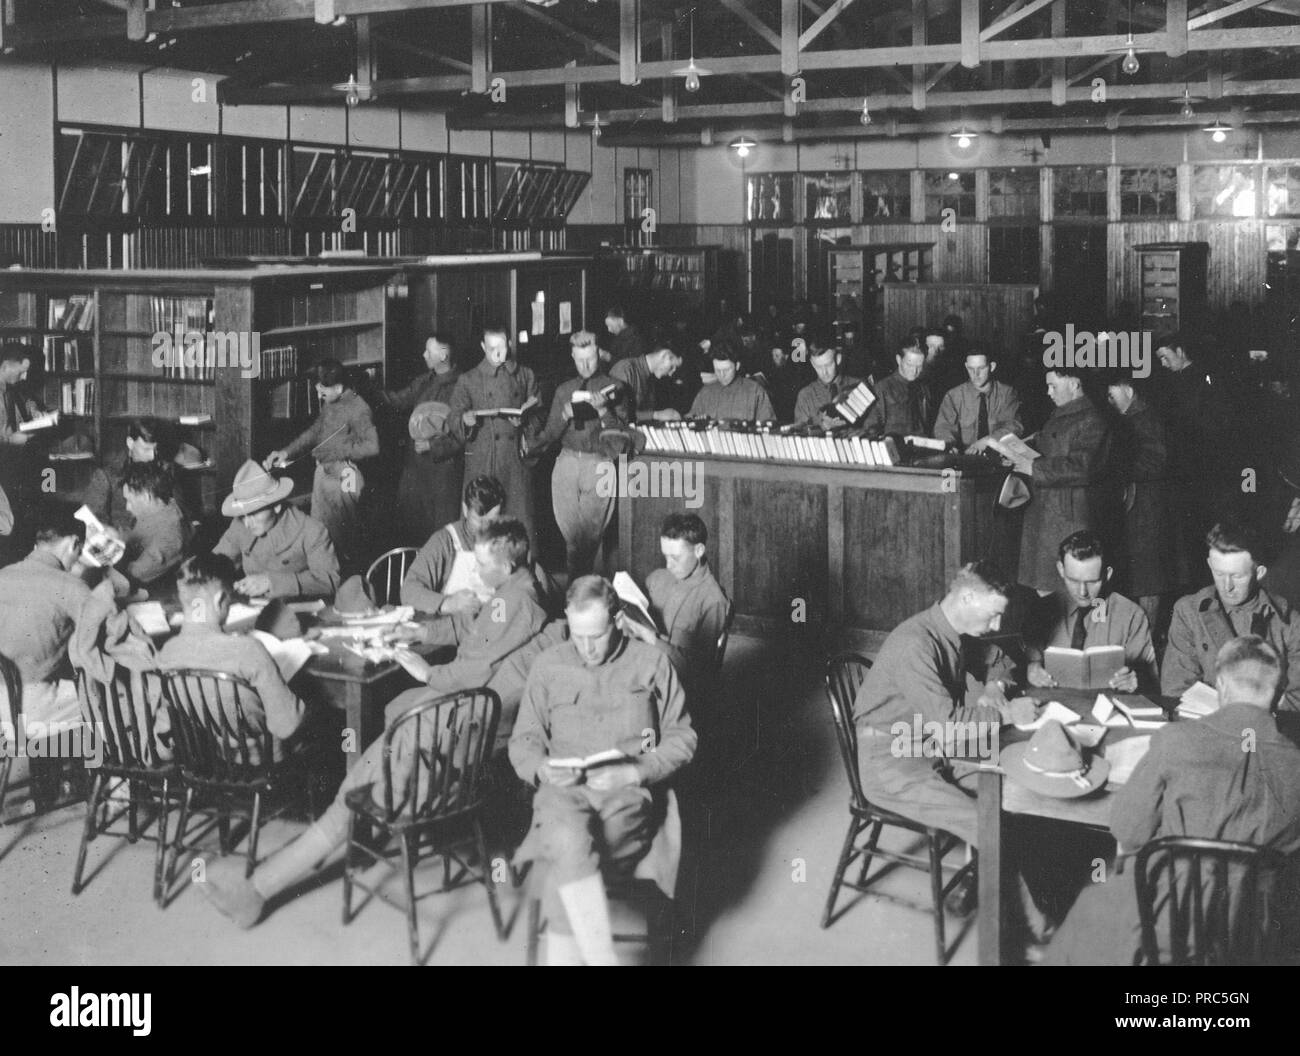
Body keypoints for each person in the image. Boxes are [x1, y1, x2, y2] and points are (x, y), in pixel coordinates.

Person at [193, 522, 552, 931]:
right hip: (460, 720)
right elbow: (477, 633)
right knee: (367, 763)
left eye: (484, 565)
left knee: (348, 797)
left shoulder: (514, 603)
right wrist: (423, 632)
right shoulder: (521, 592)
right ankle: (258, 888)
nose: (477, 572)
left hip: (451, 727)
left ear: (506, 566)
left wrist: (426, 671)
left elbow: (474, 667)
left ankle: (257, 892)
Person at [1046, 636, 1300, 965]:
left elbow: (1128, 830)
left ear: (1221, 685)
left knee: (1090, 908)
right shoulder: (1295, 764)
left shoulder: (1175, 740)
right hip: (1252, 929)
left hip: (1169, 918)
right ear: (1278, 693)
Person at [509, 575, 696, 966]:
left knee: (570, 857)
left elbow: (683, 737)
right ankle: (601, 957)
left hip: (625, 791)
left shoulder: (651, 662)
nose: (587, 647)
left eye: (596, 635)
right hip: (563, 789)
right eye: (577, 636)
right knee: (565, 835)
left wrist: (637, 772)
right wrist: (542, 769)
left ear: (618, 621)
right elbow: (523, 740)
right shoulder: (549, 665)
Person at [851, 561, 1026, 846]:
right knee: (988, 826)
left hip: (932, 745)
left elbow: (1001, 660)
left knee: (1016, 789)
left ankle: (992, 879)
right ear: (967, 597)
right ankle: (1002, 884)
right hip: (890, 762)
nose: (997, 626)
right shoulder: (916, 643)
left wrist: (996, 686)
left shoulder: (953, 632)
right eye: (994, 615)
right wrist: (1005, 714)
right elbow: (946, 725)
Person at [157, 553, 307, 760]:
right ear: (220, 599)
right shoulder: (248, 649)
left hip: (215, 761)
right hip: (265, 762)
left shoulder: (167, 652)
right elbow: (286, 727)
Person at [1162, 520, 1300, 713]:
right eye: (1219, 574)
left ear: (1259, 572)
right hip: (1206, 728)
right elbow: (1176, 689)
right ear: (1210, 564)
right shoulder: (1188, 611)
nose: (1227, 586)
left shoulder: (1289, 621)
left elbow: (1298, 698)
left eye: (1237, 576)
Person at [264, 359, 379, 570]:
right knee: (320, 535)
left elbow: (373, 446)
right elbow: (315, 431)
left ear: (338, 387)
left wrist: (338, 451)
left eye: (323, 392)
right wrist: (286, 452)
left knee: (346, 535)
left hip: (346, 474)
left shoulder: (359, 407)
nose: (319, 397)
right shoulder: (331, 401)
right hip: (323, 472)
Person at [0, 509, 108, 731]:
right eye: (78, 554)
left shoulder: (3, 575)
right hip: (29, 708)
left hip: (3, 700)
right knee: (116, 698)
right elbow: (105, 636)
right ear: (74, 544)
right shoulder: (70, 585)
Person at [1011, 365, 1115, 593]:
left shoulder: (1093, 419)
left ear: (1074, 384)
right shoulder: (1062, 415)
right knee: (1047, 587)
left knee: (1070, 588)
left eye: (1053, 386)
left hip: (1069, 517)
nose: (1048, 392)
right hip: (1047, 512)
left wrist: (1034, 467)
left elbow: (1084, 467)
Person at [535, 332, 628, 578]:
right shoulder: (564, 389)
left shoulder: (615, 388)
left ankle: (584, 593)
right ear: (572, 357)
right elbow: (550, 434)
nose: (586, 365)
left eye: (590, 359)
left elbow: (622, 435)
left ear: (599, 355)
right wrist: (564, 417)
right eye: (580, 360)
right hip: (566, 463)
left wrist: (603, 411)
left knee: (588, 538)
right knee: (571, 538)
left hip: (599, 463)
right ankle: (582, 594)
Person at [616, 513, 731, 712]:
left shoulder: (712, 600)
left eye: (675, 558)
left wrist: (652, 640)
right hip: (645, 665)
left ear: (699, 550)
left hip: (677, 688)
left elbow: (699, 673)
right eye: (665, 556)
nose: (668, 565)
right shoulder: (657, 579)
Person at [1022, 530, 1156, 694]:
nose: (1082, 591)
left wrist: (1136, 681)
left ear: (1107, 575)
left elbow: (1149, 681)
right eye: (1073, 580)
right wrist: (1030, 670)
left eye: (1092, 581)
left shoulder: (1131, 615)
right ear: (1061, 569)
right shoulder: (1041, 610)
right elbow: (1022, 666)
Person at [448, 324, 542, 544]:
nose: (498, 353)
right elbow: (452, 418)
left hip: (515, 463)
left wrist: (524, 420)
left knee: (519, 528)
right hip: (483, 460)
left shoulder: (525, 375)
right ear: (483, 347)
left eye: (501, 347)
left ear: (509, 343)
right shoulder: (468, 379)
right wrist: (465, 419)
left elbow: (540, 416)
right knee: (480, 530)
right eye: (492, 349)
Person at [1155, 332, 1235, 588]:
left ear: (1180, 351)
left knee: (1202, 533)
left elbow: (1215, 426)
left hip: (1201, 471)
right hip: (1183, 470)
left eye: (1165, 357)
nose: (1163, 364)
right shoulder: (1173, 382)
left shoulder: (1205, 380)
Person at [212, 460, 341, 601]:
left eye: (254, 513)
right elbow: (216, 562)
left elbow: (329, 581)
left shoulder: (312, 530)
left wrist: (271, 582)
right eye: (243, 515)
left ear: (276, 506)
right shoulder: (240, 525)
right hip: (254, 608)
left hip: (299, 608)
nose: (248, 523)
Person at [1106, 375, 1175, 628]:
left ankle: (1148, 639)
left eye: (1112, 393)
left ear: (1128, 388)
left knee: (1148, 580)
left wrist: (1116, 468)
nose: (1109, 400)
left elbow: (1156, 462)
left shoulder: (1147, 418)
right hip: (1138, 508)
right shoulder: (1130, 418)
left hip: (1149, 509)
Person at [380, 333, 463, 545]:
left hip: (443, 474)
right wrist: (364, 390)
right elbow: (398, 400)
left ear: (443, 355)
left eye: (429, 351)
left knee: (440, 536)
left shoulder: (463, 386)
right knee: (412, 529)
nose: (423, 354)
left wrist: (433, 445)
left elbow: (463, 434)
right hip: (415, 471)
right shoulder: (425, 380)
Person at [118, 460, 192, 589]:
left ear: (146, 496)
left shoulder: (170, 534)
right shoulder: (160, 508)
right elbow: (140, 536)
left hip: (157, 597)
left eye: (129, 500)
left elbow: (136, 573)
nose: (127, 507)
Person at [933, 349, 1023, 454]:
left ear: (992, 367)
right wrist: (948, 445)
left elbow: (1013, 426)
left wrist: (987, 441)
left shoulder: (1007, 393)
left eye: (981, 368)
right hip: (964, 458)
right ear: (966, 366)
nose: (976, 374)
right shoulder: (953, 395)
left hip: (998, 455)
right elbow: (944, 427)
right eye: (971, 369)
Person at [688, 344, 775, 421]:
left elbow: (768, 426)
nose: (722, 375)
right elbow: (689, 419)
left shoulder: (754, 391)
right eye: (717, 370)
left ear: (737, 366)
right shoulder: (706, 392)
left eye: (726, 370)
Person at [860, 343, 930, 438]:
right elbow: (871, 428)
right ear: (898, 360)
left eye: (919, 366)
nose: (914, 371)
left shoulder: (923, 388)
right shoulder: (882, 388)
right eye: (909, 365)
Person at [609, 342, 683, 424]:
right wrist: (656, 415)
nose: (671, 374)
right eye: (672, 367)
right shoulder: (626, 370)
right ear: (664, 355)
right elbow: (620, 415)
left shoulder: (652, 379)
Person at [793, 345, 864, 428]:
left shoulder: (859, 387)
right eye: (819, 367)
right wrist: (819, 425)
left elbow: (873, 425)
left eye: (828, 365)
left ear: (838, 359)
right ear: (812, 364)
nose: (824, 372)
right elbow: (800, 434)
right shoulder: (805, 396)